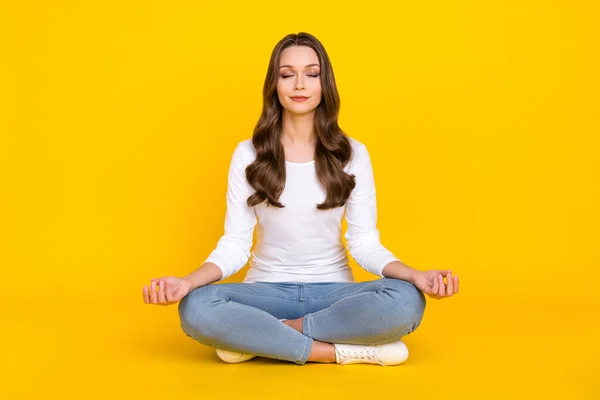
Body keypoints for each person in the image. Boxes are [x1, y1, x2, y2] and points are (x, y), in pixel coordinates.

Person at [142, 32, 459, 366]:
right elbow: (234, 244)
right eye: (287, 74)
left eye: (311, 74)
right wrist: (187, 282)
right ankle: (335, 351)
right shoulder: (248, 154)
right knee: (196, 306)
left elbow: (364, 242)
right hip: (265, 292)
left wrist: (414, 275)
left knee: (406, 299)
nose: (299, 85)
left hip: (334, 294)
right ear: (274, 85)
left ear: (325, 85)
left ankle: (265, 338)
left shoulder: (352, 154)